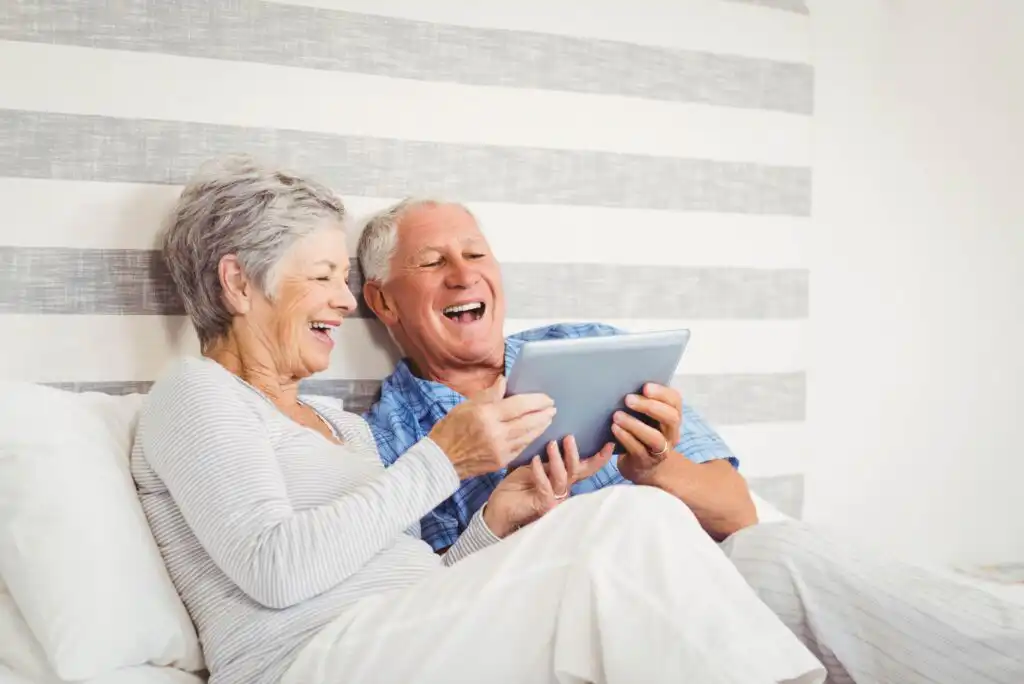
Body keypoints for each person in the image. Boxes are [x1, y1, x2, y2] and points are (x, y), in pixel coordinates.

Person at [130, 155, 828, 684]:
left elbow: (422, 592)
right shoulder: (197, 393)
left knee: (645, 523)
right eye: (321, 277)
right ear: (237, 283)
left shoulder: (343, 426)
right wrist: (442, 460)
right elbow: (275, 569)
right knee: (624, 520)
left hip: (391, 643)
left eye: (343, 279)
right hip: (308, 662)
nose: (344, 302)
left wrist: (496, 518)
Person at [359, 197, 1024, 684]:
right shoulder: (388, 438)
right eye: (433, 261)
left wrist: (654, 466)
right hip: (565, 624)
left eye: (476, 254)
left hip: (705, 587)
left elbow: (737, 511)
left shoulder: (588, 347)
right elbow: (424, 614)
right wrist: (502, 514)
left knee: (782, 550)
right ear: (383, 302)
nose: (464, 274)